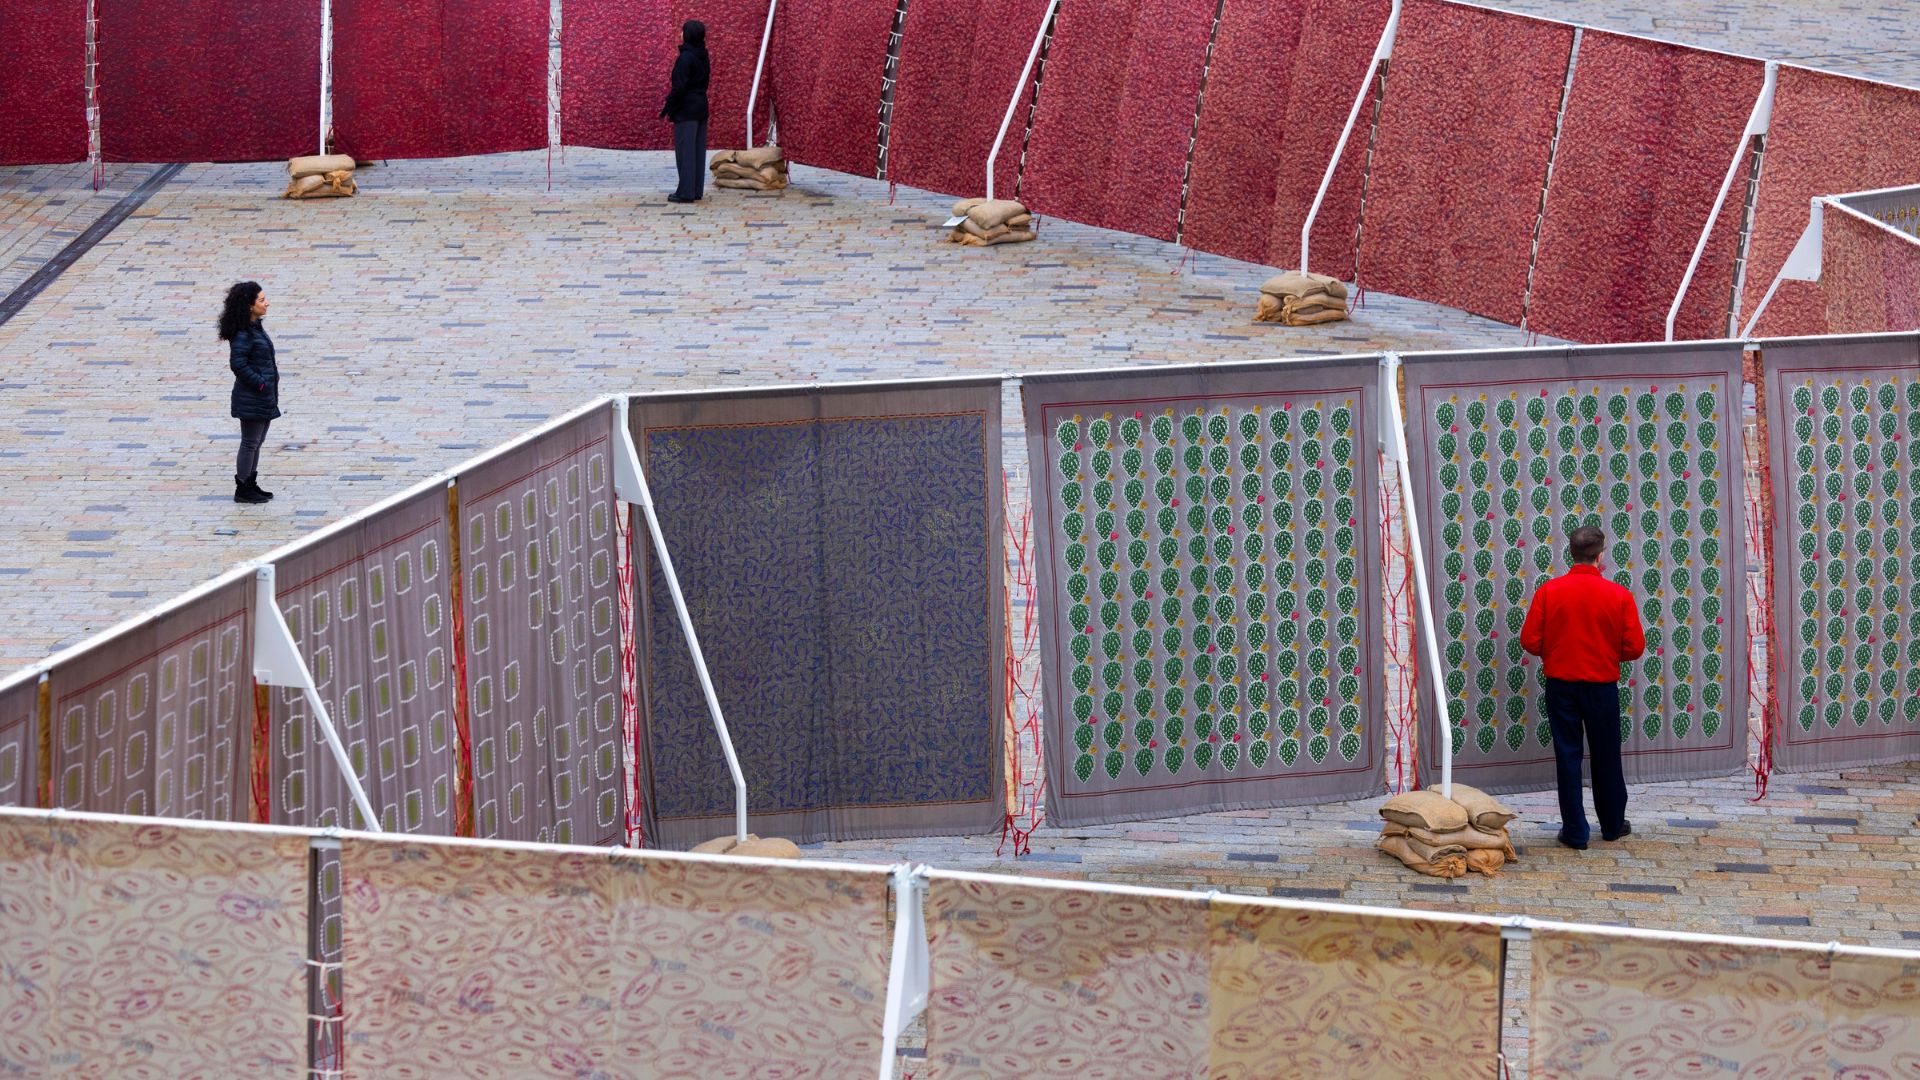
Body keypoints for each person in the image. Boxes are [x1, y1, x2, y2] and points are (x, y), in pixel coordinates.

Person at [1520, 524, 1645, 850]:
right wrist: (1605, 651)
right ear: (1601, 555)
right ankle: (1612, 824)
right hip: (1602, 686)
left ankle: (1575, 832)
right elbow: (1634, 648)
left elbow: (1530, 640)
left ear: (1571, 553)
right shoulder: (1619, 595)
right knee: (1606, 755)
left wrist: (1557, 651)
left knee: (1568, 756)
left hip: (1561, 685)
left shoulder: (1549, 591)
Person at [219, 281, 279, 505]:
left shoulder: (255, 327)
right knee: (250, 442)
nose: (267, 303)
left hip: (263, 396)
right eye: (262, 300)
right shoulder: (244, 333)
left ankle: (251, 482)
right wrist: (261, 384)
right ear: (249, 305)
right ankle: (243, 487)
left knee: (257, 442)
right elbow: (238, 364)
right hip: (253, 395)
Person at [661, 20, 710, 203]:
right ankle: (696, 189)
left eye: (683, 31)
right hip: (701, 106)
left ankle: (686, 192)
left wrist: (670, 105)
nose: (680, 34)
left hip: (687, 109)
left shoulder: (685, 58)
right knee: (698, 151)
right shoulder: (703, 55)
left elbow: (679, 87)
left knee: (686, 152)